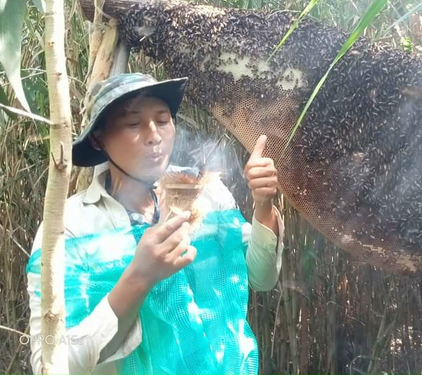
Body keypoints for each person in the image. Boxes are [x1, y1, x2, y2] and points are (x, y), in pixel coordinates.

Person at [26, 73, 284, 374]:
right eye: (133, 124)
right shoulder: (70, 227)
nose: (153, 135)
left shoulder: (206, 194)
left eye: (162, 120)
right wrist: (139, 277)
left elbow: (261, 279)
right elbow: (52, 364)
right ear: (98, 138)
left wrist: (264, 205)